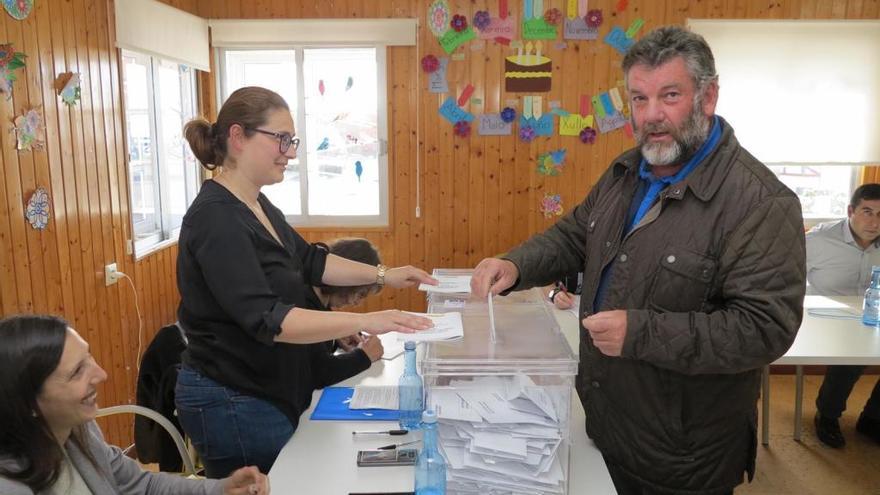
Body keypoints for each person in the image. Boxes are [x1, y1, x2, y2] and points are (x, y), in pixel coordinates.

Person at [470, 26, 805, 494]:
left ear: (707, 97)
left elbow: (764, 329)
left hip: (682, 454)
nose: (652, 116)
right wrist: (517, 265)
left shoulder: (761, 202)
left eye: (669, 96)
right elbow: (573, 234)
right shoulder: (626, 170)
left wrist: (640, 332)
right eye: (639, 99)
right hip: (606, 421)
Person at [176, 86, 437, 479]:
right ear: (237, 137)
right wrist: (370, 319)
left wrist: (385, 275)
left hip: (262, 390)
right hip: (233, 398)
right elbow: (270, 319)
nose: (291, 151)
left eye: (292, 140)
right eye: (281, 139)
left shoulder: (256, 205)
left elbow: (312, 261)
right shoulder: (217, 219)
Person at [0, 314, 270, 495]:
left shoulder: (78, 430)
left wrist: (220, 489)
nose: (101, 374)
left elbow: (141, 485)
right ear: (28, 403)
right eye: (76, 372)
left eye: (89, 357)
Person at [807, 183, 880, 448]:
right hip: (826, 319)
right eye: (867, 212)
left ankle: (873, 419)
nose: (874, 222)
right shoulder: (818, 240)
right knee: (850, 358)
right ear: (851, 210)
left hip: (873, 318)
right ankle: (827, 416)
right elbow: (785, 278)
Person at [307, 238, 388, 387]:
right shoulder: (305, 304)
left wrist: (335, 336)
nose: (357, 302)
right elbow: (316, 373)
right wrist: (364, 356)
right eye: (361, 294)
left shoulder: (321, 302)